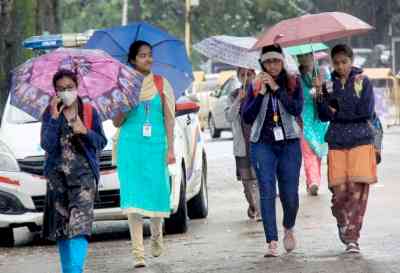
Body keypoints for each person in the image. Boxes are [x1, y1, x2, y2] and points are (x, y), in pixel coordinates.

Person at [112, 40, 176, 268]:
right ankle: (138, 253)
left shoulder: (161, 83)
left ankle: (157, 234)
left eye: (150, 55)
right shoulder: (123, 86)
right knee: (133, 198)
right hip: (130, 148)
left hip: (156, 146)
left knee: (158, 192)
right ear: (132, 60)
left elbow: (169, 118)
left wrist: (171, 149)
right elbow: (117, 121)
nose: (148, 59)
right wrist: (127, 103)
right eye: (142, 56)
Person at [41, 69, 107, 273]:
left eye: (69, 87)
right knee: (62, 228)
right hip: (57, 178)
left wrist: (84, 131)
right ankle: (68, 270)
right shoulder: (50, 113)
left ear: (77, 88)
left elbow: (101, 142)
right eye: (61, 89)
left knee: (80, 224)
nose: (65, 92)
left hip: (83, 179)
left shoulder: (88, 111)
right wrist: (53, 118)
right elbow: (46, 145)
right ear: (55, 92)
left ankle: (75, 270)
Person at [242, 44, 303, 257]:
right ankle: (272, 241)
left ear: (282, 61)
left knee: (290, 194)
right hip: (262, 144)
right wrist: (259, 94)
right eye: (268, 61)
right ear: (262, 63)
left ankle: (289, 226)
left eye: (276, 61)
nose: (272, 65)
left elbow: (296, 109)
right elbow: (247, 117)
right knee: (267, 191)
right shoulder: (255, 84)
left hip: (290, 143)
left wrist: (277, 89)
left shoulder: (293, 82)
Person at [316, 44, 377, 254]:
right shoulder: (327, 85)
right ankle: (342, 221)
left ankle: (353, 239)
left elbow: (365, 111)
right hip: (337, 142)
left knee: (357, 192)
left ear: (352, 61)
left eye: (344, 62)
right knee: (339, 194)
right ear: (332, 63)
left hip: (361, 141)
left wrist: (338, 111)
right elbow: (323, 115)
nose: (341, 66)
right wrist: (320, 98)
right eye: (337, 62)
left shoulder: (363, 81)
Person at [224, 67, 261, 221]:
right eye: (243, 74)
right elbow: (229, 117)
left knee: (259, 180)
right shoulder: (233, 95)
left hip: (258, 142)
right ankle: (253, 206)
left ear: (254, 75)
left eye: (250, 74)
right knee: (247, 184)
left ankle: (260, 210)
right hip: (242, 146)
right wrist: (239, 100)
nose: (247, 77)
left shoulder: (260, 93)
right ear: (238, 77)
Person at [297, 53, 329, 195]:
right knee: (308, 151)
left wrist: (320, 88)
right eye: (300, 56)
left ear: (313, 56)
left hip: (320, 119)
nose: (304, 58)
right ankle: (313, 182)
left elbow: (329, 93)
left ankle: (311, 182)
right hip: (305, 117)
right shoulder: (296, 77)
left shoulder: (323, 73)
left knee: (318, 152)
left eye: (307, 56)